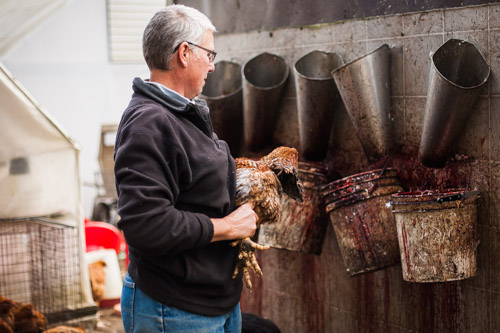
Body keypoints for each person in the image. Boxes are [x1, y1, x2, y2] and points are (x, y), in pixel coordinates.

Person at [114, 5, 259, 333]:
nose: (211, 65)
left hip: (214, 301)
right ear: (184, 53)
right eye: (209, 54)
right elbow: (145, 224)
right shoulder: (149, 123)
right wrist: (227, 226)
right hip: (173, 307)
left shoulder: (184, 114)